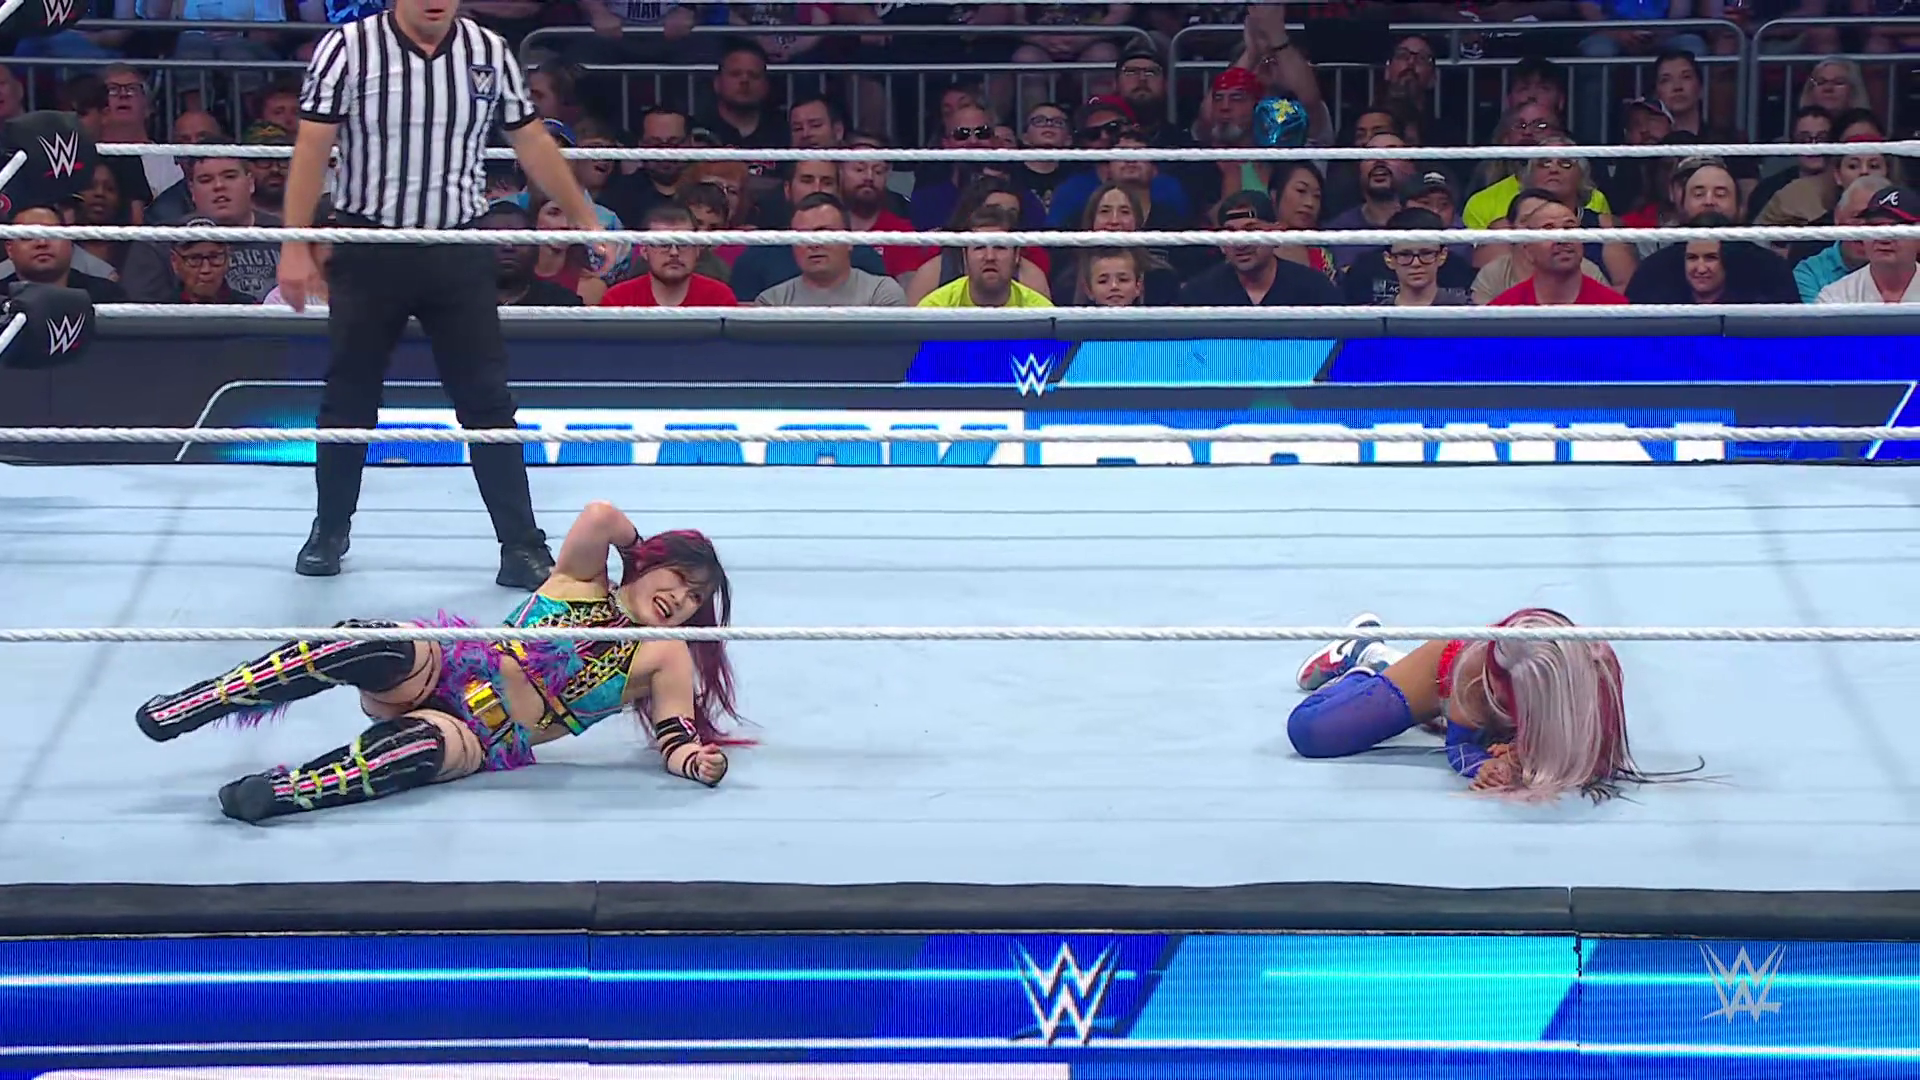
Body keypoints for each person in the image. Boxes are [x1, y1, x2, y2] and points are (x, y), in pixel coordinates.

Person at [132, 503, 746, 824]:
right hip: (450, 664)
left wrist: (698, 763)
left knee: (410, 754)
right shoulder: (583, 580)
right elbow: (600, 515)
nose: (681, 599)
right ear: (653, 564)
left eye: (695, 599)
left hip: (482, 733)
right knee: (361, 642)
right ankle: (198, 703)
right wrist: (640, 553)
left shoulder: (662, 654)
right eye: (679, 578)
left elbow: (675, 738)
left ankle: (275, 795)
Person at [280, 0, 609, 589]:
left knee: (487, 400)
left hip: (456, 245)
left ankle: (521, 546)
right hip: (369, 244)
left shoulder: (487, 50)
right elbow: (312, 146)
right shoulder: (348, 48)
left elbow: (531, 140)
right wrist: (296, 243)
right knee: (349, 396)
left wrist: (585, 217)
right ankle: (329, 529)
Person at [1287, 611, 1696, 802]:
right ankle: (1368, 657)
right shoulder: (1476, 670)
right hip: (1442, 677)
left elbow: (1594, 760)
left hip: (1538, 699)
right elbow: (1460, 744)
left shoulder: (1594, 675)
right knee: (1312, 732)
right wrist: (1482, 765)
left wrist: (1523, 755)